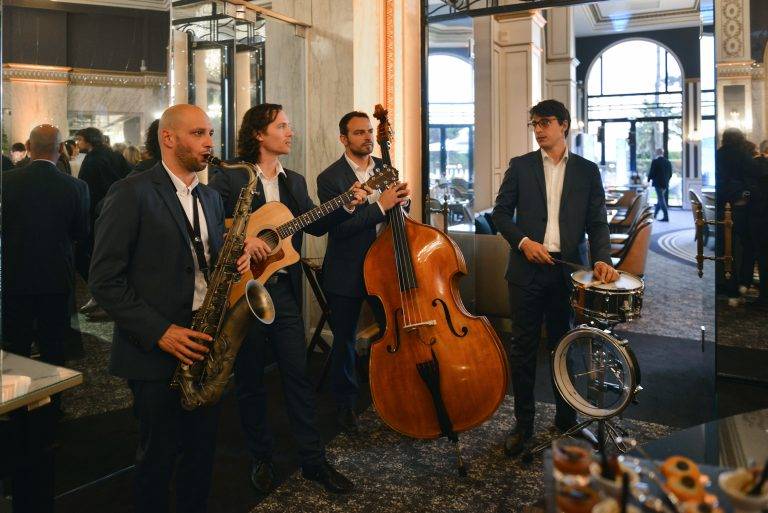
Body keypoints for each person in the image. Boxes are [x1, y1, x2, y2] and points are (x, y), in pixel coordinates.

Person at [89, 104, 261, 513]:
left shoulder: (210, 197)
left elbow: (204, 262)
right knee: (157, 455)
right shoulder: (131, 192)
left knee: (201, 454)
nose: (209, 142)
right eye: (199, 133)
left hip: (204, 340)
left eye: (210, 133)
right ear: (169, 138)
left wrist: (234, 259)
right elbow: (104, 280)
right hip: (155, 348)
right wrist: (161, 332)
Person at [209, 103, 365, 495]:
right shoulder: (229, 178)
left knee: (298, 376)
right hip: (243, 292)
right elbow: (210, 225)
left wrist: (344, 204)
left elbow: (313, 222)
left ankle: (314, 461)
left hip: (284, 294)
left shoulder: (293, 181)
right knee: (250, 382)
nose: (290, 132)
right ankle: (261, 457)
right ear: (260, 134)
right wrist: (241, 239)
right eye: (282, 126)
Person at [492, 99, 619, 457]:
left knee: (564, 346)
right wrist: (523, 242)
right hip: (526, 271)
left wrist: (602, 260)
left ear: (564, 125)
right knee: (523, 349)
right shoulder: (520, 167)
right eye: (534, 123)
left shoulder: (586, 171)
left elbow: (598, 223)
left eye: (545, 122)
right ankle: (524, 425)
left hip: (568, 273)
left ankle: (566, 418)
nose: (539, 129)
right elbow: (500, 214)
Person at [316, 111, 409, 433]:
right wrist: (380, 205)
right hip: (347, 270)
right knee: (343, 342)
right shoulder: (330, 179)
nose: (367, 137)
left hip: (387, 268)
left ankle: (398, 394)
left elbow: (397, 213)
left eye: (370, 131)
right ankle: (345, 406)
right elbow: (340, 230)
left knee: (394, 334)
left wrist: (400, 203)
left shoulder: (386, 169)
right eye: (359, 133)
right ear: (344, 139)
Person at [2, 125, 90, 367]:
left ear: (28, 147)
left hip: (14, 275)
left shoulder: (5, 182)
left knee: (15, 347)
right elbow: (81, 233)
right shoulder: (76, 188)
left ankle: (17, 402)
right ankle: (52, 402)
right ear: (61, 148)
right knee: (54, 345)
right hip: (55, 276)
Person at [647, 148, 672, 222]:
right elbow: (670, 174)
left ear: (656, 153)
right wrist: (666, 181)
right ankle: (655, 215)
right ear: (663, 153)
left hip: (658, 183)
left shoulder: (655, 161)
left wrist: (648, 179)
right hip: (665, 184)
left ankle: (666, 216)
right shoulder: (668, 162)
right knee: (660, 199)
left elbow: (652, 172)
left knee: (661, 199)